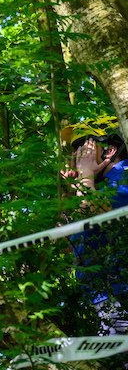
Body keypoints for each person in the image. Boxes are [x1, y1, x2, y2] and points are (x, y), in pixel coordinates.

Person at [62, 116, 128, 334]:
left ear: (109, 151)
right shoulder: (96, 188)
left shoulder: (124, 176)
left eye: (84, 147)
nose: (76, 156)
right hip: (104, 297)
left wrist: (85, 178)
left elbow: (94, 214)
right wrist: (74, 188)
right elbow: (64, 243)